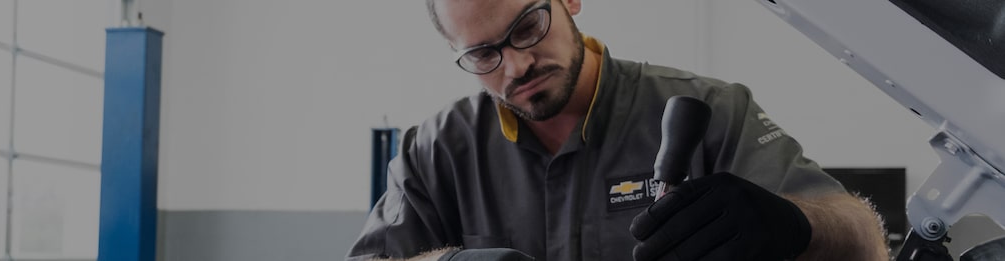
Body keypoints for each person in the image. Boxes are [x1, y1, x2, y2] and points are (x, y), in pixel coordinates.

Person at [346, 0, 890, 260]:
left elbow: (865, 239)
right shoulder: (436, 150)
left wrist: (798, 223)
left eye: (528, 28)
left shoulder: (713, 109)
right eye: (484, 54)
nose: (515, 68)